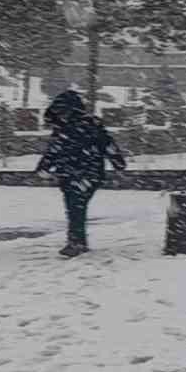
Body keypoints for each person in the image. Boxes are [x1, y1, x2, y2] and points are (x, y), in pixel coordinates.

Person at [36, 90, 126, 258]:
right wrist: (118, 163)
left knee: (75, 206)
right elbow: (108, 145)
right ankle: (77, 242)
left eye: (63, 112)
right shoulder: (85, 126)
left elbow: (54, 150)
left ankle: (76, 243)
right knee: (75, 207)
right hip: (79, 173)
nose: (61, 116)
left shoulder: (82, 126)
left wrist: (44, 166)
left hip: (83, 172)